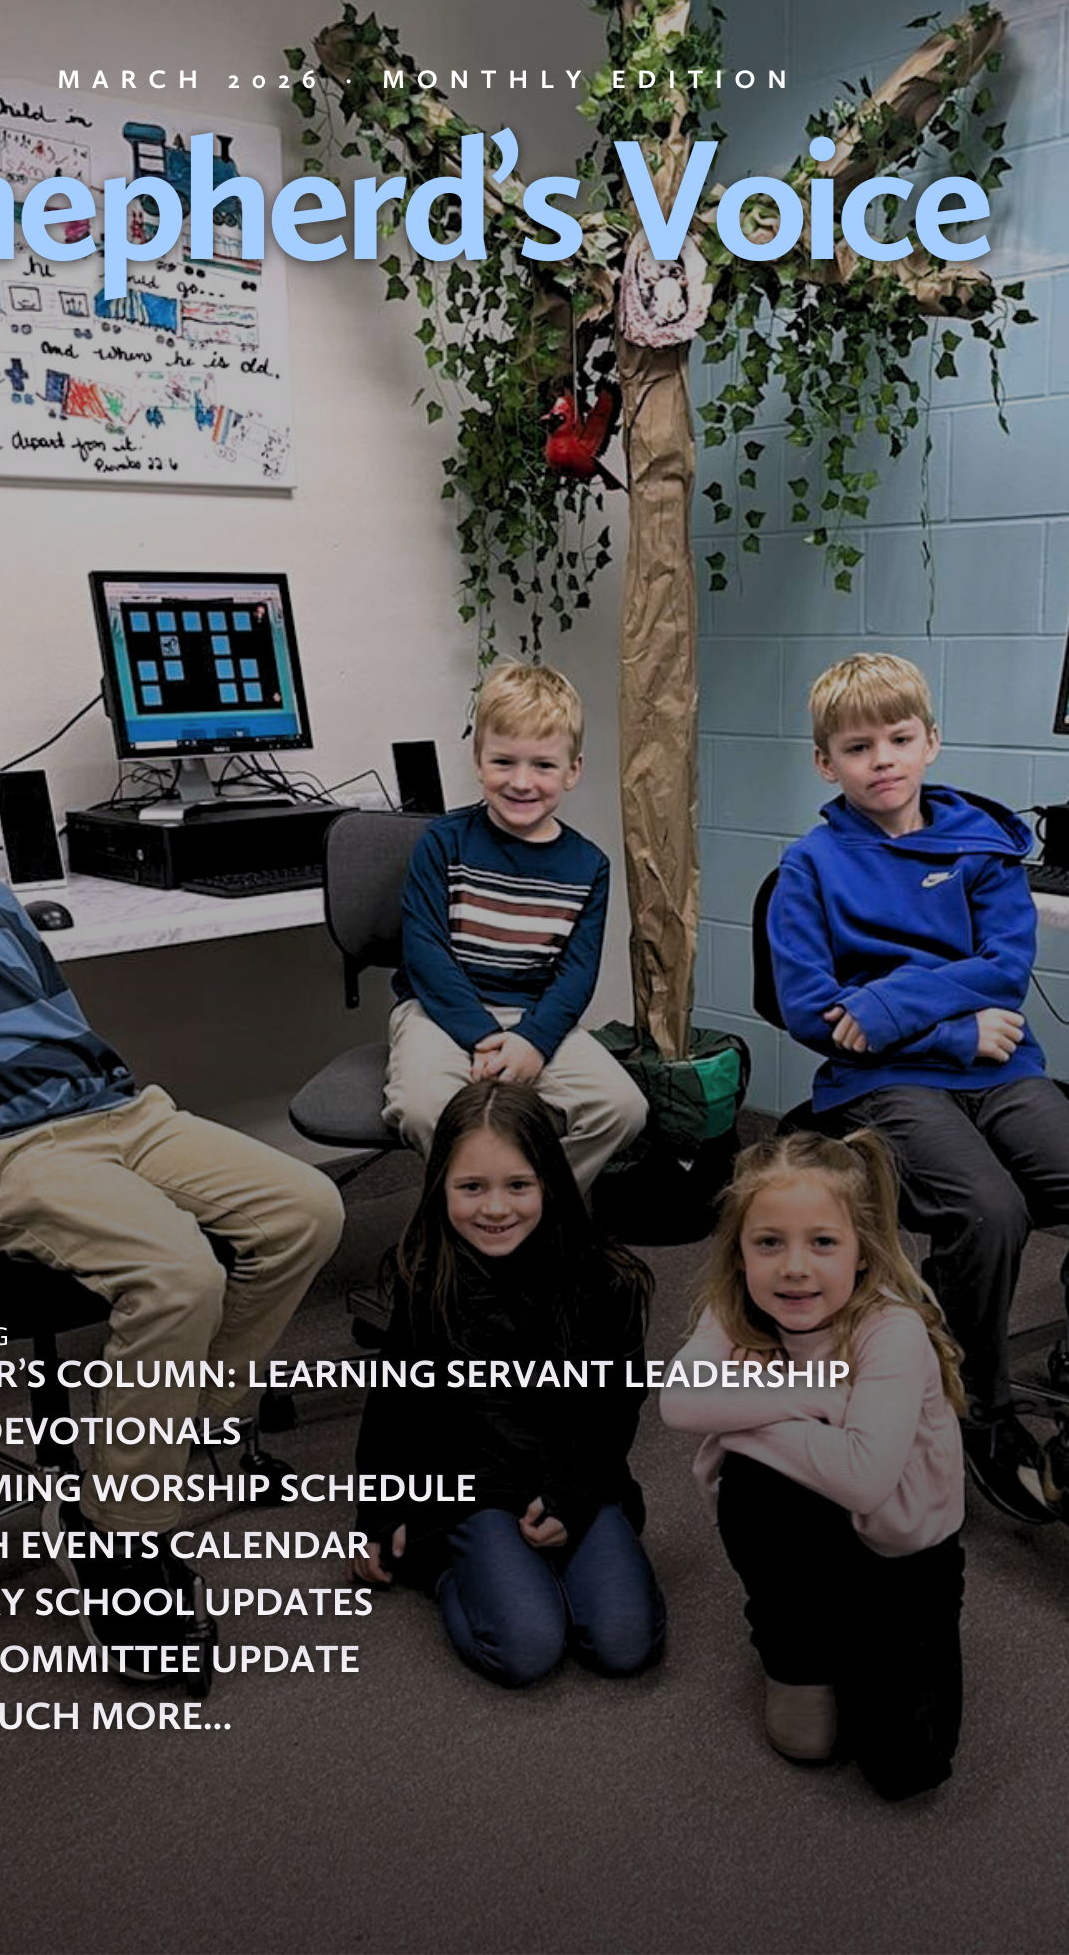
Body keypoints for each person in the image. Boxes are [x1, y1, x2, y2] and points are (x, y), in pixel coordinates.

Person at [0, 676, 344, 1673]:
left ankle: (166, 1436)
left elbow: (60, 1023)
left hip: (119, 1112)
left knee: (307, 1206)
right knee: (179, 1274)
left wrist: (117, 1109)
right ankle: (122, 1532)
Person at [767, 650, 1069, 1523]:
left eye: (899, 739)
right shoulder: (809, 868)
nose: (883, 760)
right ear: (826, 763)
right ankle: (980, 1405)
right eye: (858, 747)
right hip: (884, 1078)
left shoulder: (982, 845)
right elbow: (812, 1010)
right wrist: (949, 1028)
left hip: (998, 1067)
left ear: (930, 742)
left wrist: (887, 1001)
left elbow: (1004, 969)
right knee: (989, 1210)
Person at [662, 1129, 966, 1801]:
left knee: (905, 1769)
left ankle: (855, 1638)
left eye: (823, 1242)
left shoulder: (892, 1329)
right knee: (754, 1482)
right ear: (740, 1253)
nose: (794, 1267)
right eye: (769, 1243)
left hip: (904, 1553)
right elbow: (677, 1402)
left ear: (862, 1252)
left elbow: (863, 1477)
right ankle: (793, 1643)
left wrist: (742, 1417)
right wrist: (816, 1399)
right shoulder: (736, 1308)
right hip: (804, 1521)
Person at [352, 1081, 665, 1687]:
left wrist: (573, 1497)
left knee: (626, 1645)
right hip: (474, 1491)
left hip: (576, 1477)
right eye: (471, 1187)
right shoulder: (426, 1280)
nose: (495, 1208)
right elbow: (393, 1407)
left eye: (518, 1186)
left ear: (549, 1183)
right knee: (526, 1649)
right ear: (440, 1187)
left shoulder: (606, 1281)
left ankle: (541, 1570)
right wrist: (380, 1516)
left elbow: (615, 1411)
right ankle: (447, 1566)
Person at [382, 660, 646, 1193]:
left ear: (572, 770)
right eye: (503, 761)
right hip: (438, 1012)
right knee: (423, 1109)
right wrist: (482, 1036)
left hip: (533, 1017)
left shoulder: (589, 865)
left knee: (622, 1109)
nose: (521, 782)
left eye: (543, 765)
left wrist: (532, 1041)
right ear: (478, 761)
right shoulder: (443, 842)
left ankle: (535, 1209)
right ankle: (465, 1217)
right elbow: (425, 954)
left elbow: (575, 976)